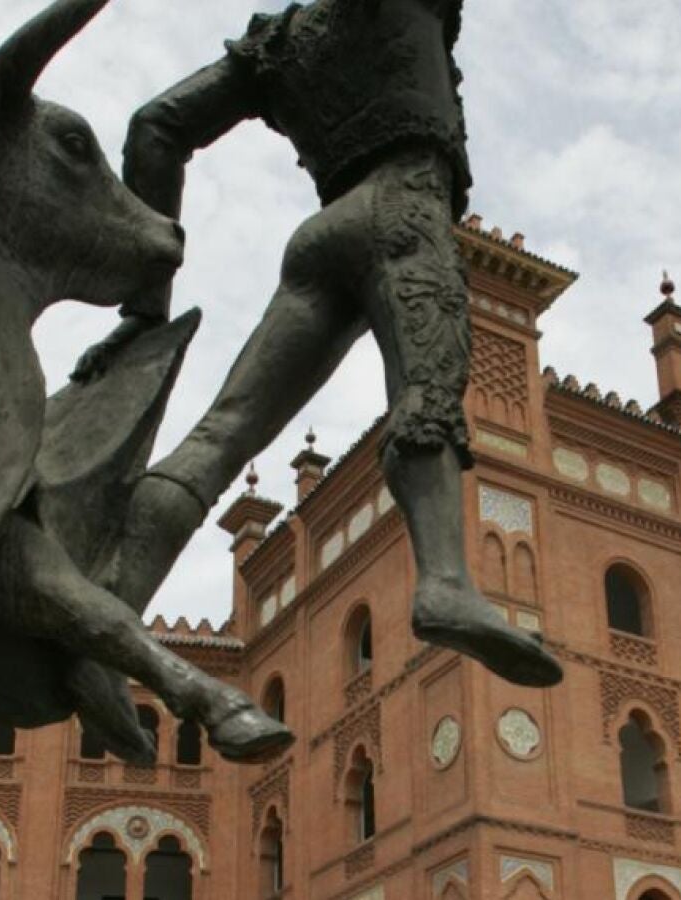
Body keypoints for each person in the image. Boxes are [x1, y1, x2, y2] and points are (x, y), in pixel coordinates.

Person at [76, 0, 561, 687]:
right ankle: (445, 579)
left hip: (320, 241)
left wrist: (146, 305)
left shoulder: (280, 42)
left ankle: (104, 616)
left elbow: (153, 127)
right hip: (406, 211)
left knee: (220, 435)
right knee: (425, 396)